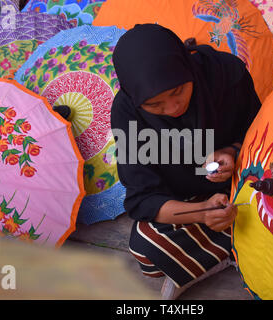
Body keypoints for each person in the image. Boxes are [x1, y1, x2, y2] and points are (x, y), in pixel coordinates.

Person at [110, 24, 261, 299]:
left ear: (185, 64)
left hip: (243, 183)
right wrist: (203, 212)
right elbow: (143, 197)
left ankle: (225, 244)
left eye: (177, 90)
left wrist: (233, 152)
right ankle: (236, 242)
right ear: (135, 98)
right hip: (187, 199)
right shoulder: (126, 112)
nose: (173, 108)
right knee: (146, 245)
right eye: (154, 106)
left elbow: (263, 131)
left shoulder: (226, 73)